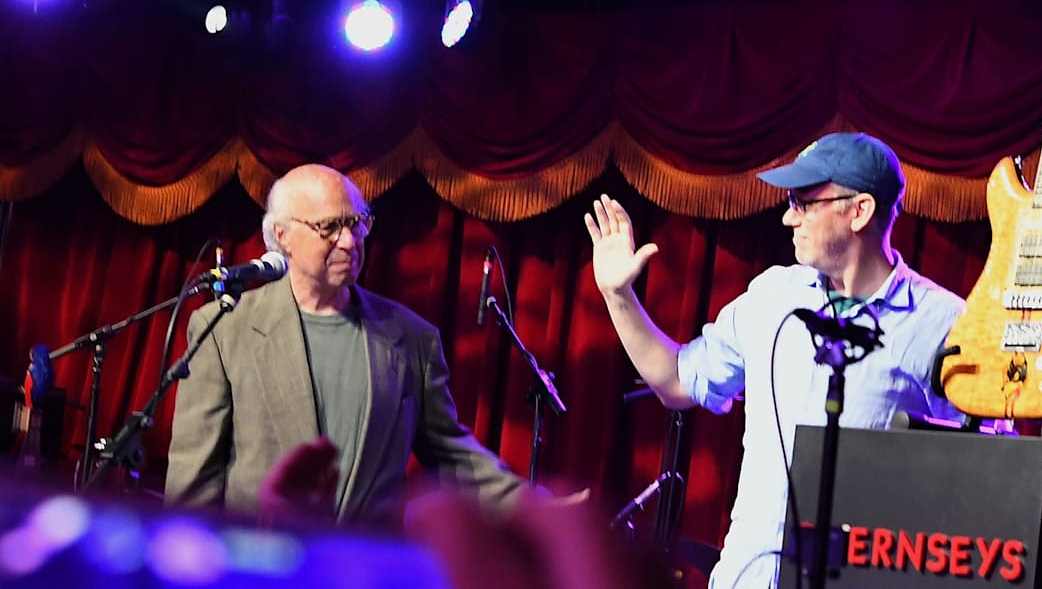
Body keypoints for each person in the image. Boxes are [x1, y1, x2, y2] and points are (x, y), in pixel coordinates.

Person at [584, 132, 965, 588]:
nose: (788, 217)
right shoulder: (773, 296)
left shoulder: (942, 322)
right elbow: (677, 381)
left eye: (804, 203)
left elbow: (974, 479)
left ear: (859, 211)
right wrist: (618, 295)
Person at [166, 163, 533, 527]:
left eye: (357, 223)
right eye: (329, 227)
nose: (349, 241)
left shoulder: (412, 338)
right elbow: (193, 480)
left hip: (362, 559)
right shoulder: (224, 328)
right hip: (262, 558)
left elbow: (453, 456)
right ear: (283, 236)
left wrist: (534, 507)